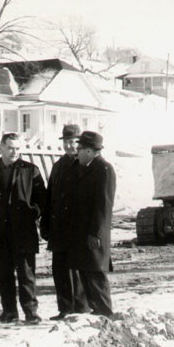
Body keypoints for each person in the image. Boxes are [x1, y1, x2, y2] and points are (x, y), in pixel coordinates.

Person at [0, 133, 46, 324]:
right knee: (4, 274)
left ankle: (31, 312)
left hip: (23, 231)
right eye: (11, 147)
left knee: (26, 274)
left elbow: (42, 199)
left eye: (18, 148)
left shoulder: (31, 170)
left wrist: (33, 212)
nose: (14, 152)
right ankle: (9, 312)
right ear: (1, 148)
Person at [41, 124, 89, 321]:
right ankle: (65, 308)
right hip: (59, 228)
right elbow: (49, 197)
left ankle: (82, 308)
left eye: (74, 142)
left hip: (78, 228)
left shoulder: (86, 165)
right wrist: (45, 224)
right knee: (60, 269)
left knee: (78, 270)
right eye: (67, 142)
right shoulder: (58, 166)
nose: (70, 146)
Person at [68, 131, 116, 317]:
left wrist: (95, 233)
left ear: (89, 151)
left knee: (96, 275)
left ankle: (105, 314)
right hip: (84, 233)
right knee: (86, 273)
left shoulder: (104, 169)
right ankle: (98, 314)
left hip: (94, 235)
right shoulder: (87, 168)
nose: (76, 152)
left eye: (79, 149)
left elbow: (104, 205)